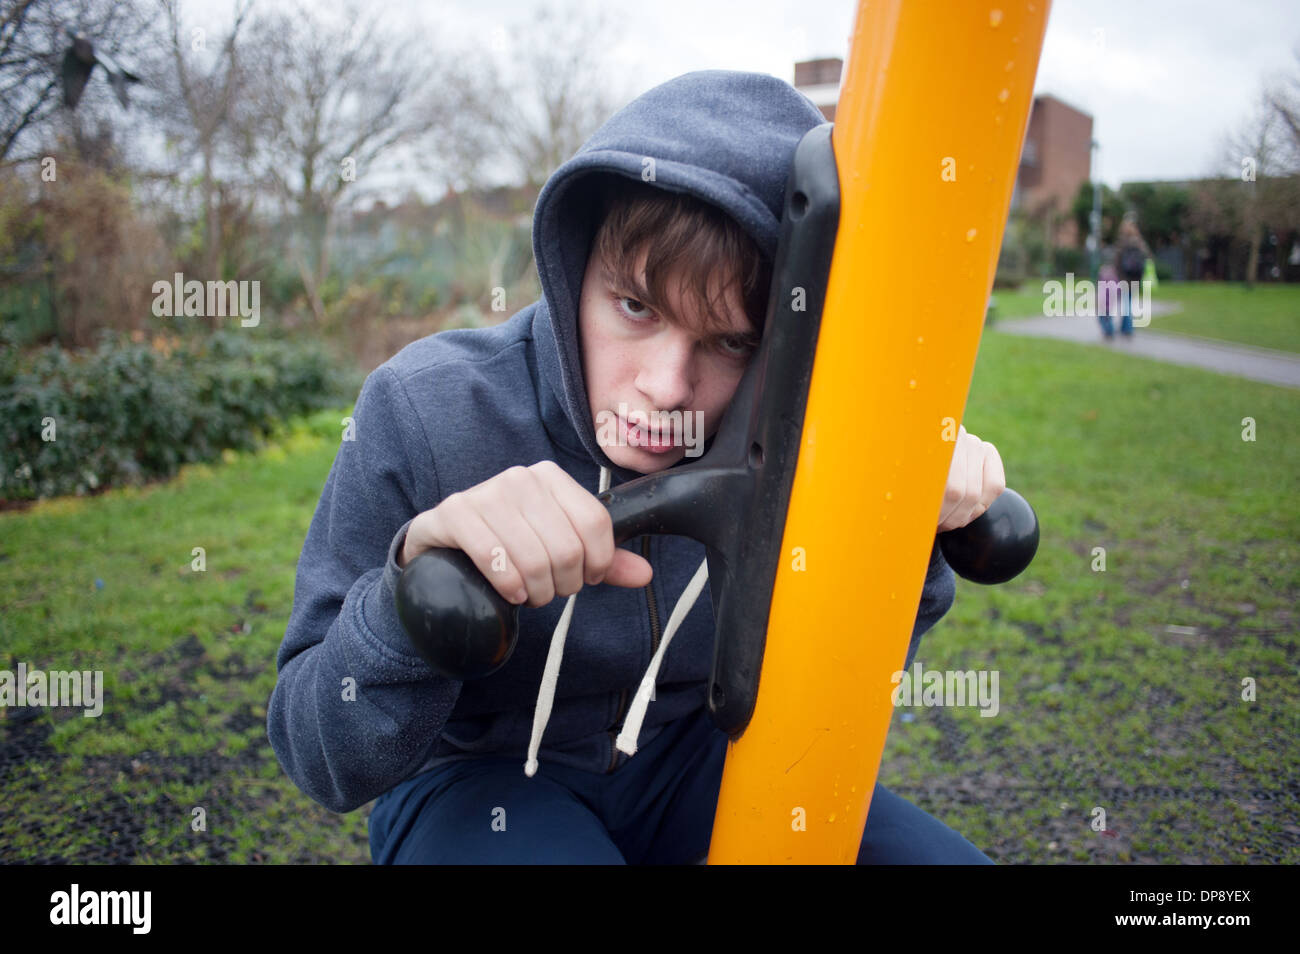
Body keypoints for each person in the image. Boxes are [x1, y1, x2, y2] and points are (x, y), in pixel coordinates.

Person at [267, 70, 1007, 865]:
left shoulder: (805, 436)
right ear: (571, 267)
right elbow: (320, 759)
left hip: (707, 762)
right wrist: (413, 599)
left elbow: (849, 694)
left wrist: (906, 519)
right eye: (635, 307)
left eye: (729, 341)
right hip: (477, 786)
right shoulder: (424, 408)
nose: (664, 387)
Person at [1105, 212, 1152, 339]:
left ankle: (1126, 327)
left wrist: (1116, 274)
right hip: (1136, 278)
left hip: (1124, 277)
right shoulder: (1139, 242)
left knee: (1125, 303)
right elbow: (1147, 257)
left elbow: (1116, 261)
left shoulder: (1123, 242)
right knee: (1129, 302)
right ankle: (1127, 327)